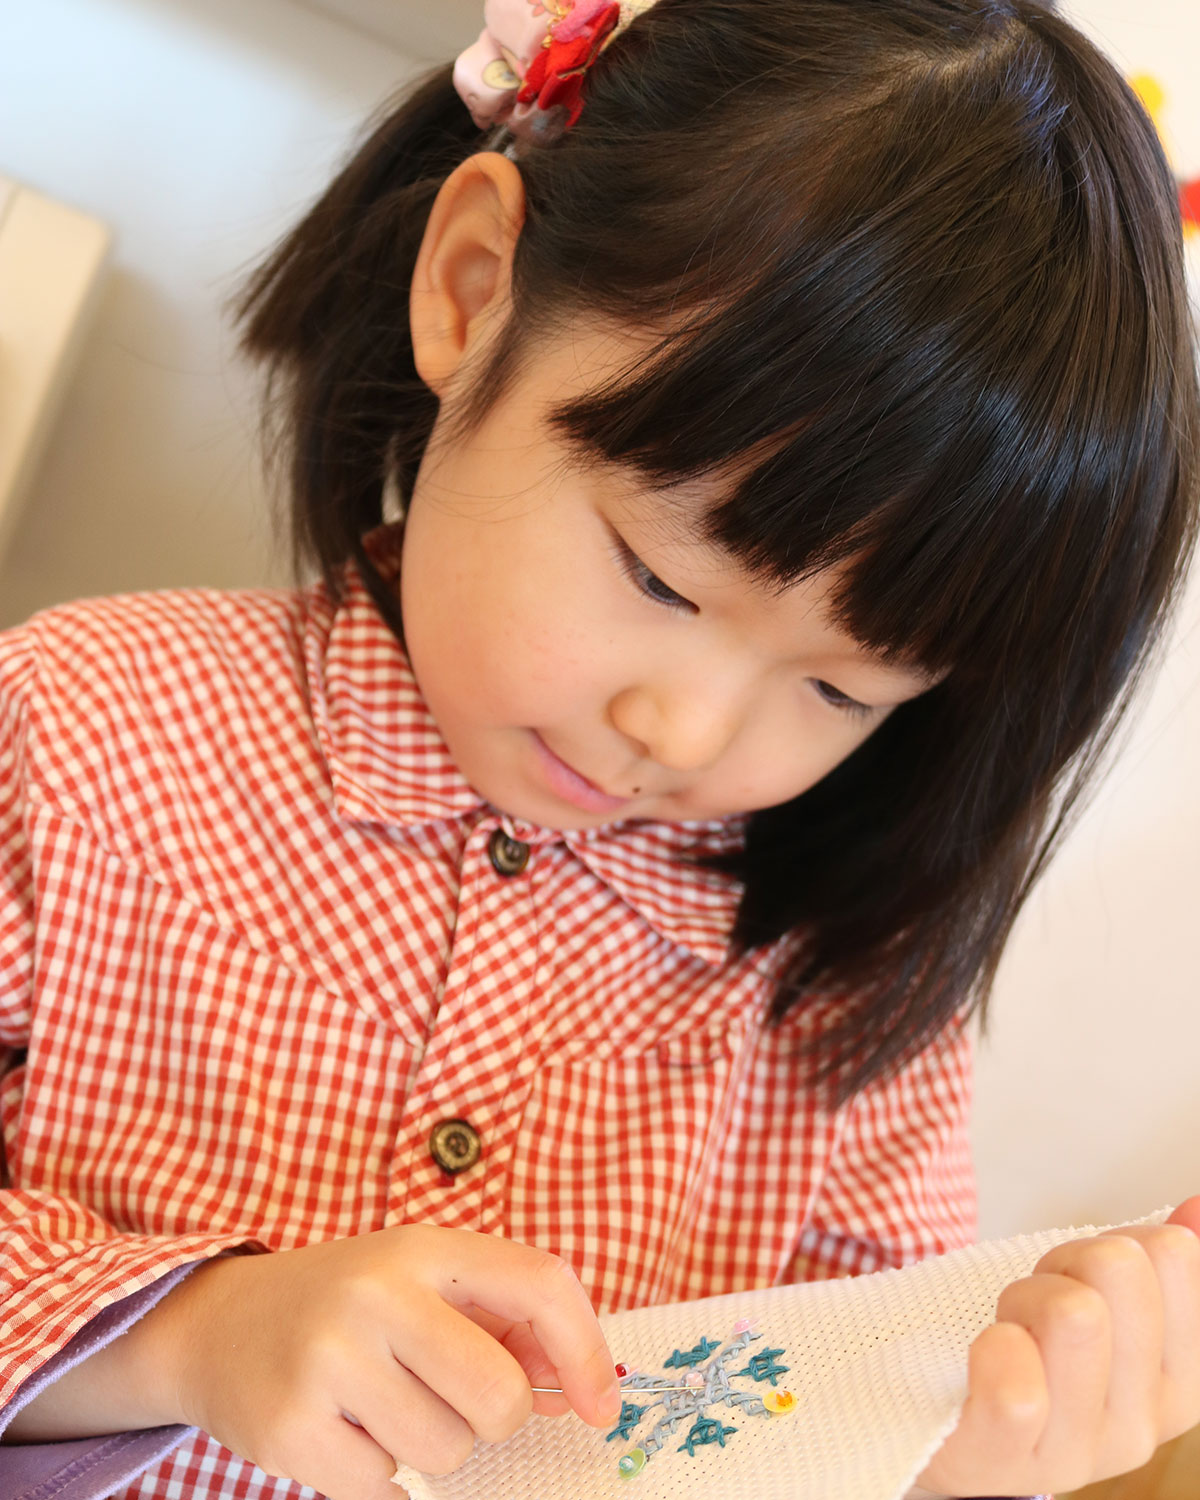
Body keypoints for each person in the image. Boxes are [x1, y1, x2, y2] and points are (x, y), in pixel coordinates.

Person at [1, 1, 1198, 1497]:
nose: (684, 730)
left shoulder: (852, 1016)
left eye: (841, 690)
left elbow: (818, 1443)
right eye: (659, 578)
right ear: (472, 289)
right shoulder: (80, 733)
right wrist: (180, 1337)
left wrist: (950, 1462)